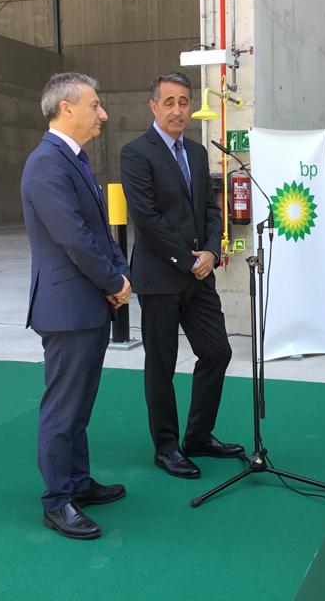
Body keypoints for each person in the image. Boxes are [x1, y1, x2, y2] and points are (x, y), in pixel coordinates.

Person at [21, 72, 131, 540]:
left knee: (80, 403)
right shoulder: (47, 163)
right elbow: (74, 238)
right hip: (68, 308)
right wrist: (114, 281)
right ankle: (57, 501)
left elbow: (100, 232)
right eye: (94, 105)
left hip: (87, 304)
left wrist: (119, 272)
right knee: (63, 408)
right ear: (66, 108)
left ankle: (78, 482)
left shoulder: (73, 159)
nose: (102, 113)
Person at [120, 71, 243, 480]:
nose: (177, 110)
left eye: (184, 102)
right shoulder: (136, 154)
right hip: (160, 277)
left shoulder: (197, 152)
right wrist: (187, 260)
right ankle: (167, 447)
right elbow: (147, 218)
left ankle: (198, 437)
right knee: (162, 364)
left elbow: (210, 207)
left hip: (199, 274)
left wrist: (211, 251)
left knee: (217, 351)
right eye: (169, 102)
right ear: (154, 106)